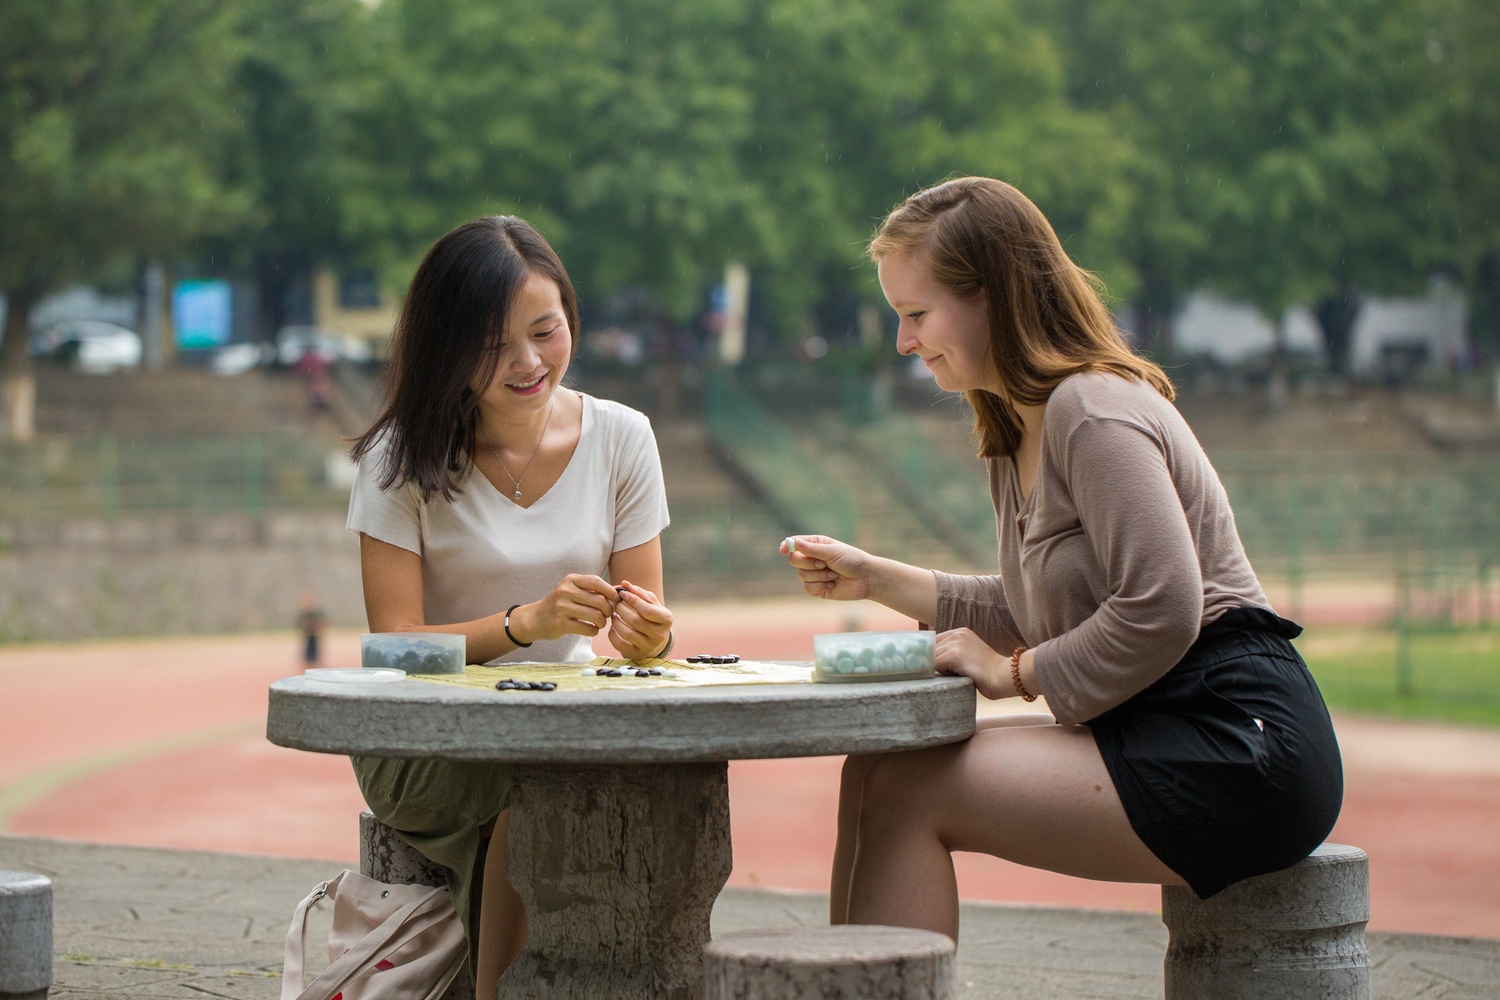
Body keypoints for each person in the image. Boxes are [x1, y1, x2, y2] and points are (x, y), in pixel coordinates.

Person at [781, 177, 1343, 940]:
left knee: (910, 792)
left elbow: (1161, 607)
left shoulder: (1091, 406)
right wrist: (877, 578)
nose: (905, 341)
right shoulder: (1015, 428)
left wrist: (1015, 675)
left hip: (1239, 741)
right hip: (1160, 722)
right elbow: (1041, 610)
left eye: (917, 315)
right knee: (875, 768)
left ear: (995, 298)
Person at [345, 215, 674, 992]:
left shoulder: (624, 438)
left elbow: (649, 633)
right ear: (446, 346)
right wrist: (524, 624)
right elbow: (392, 644)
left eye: (546, 331)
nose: (528, 363)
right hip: (422, 737)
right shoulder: (399, 458)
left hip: (563, 721)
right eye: (493, 345)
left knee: (633, 784)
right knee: (538, 792)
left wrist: (650, 636)